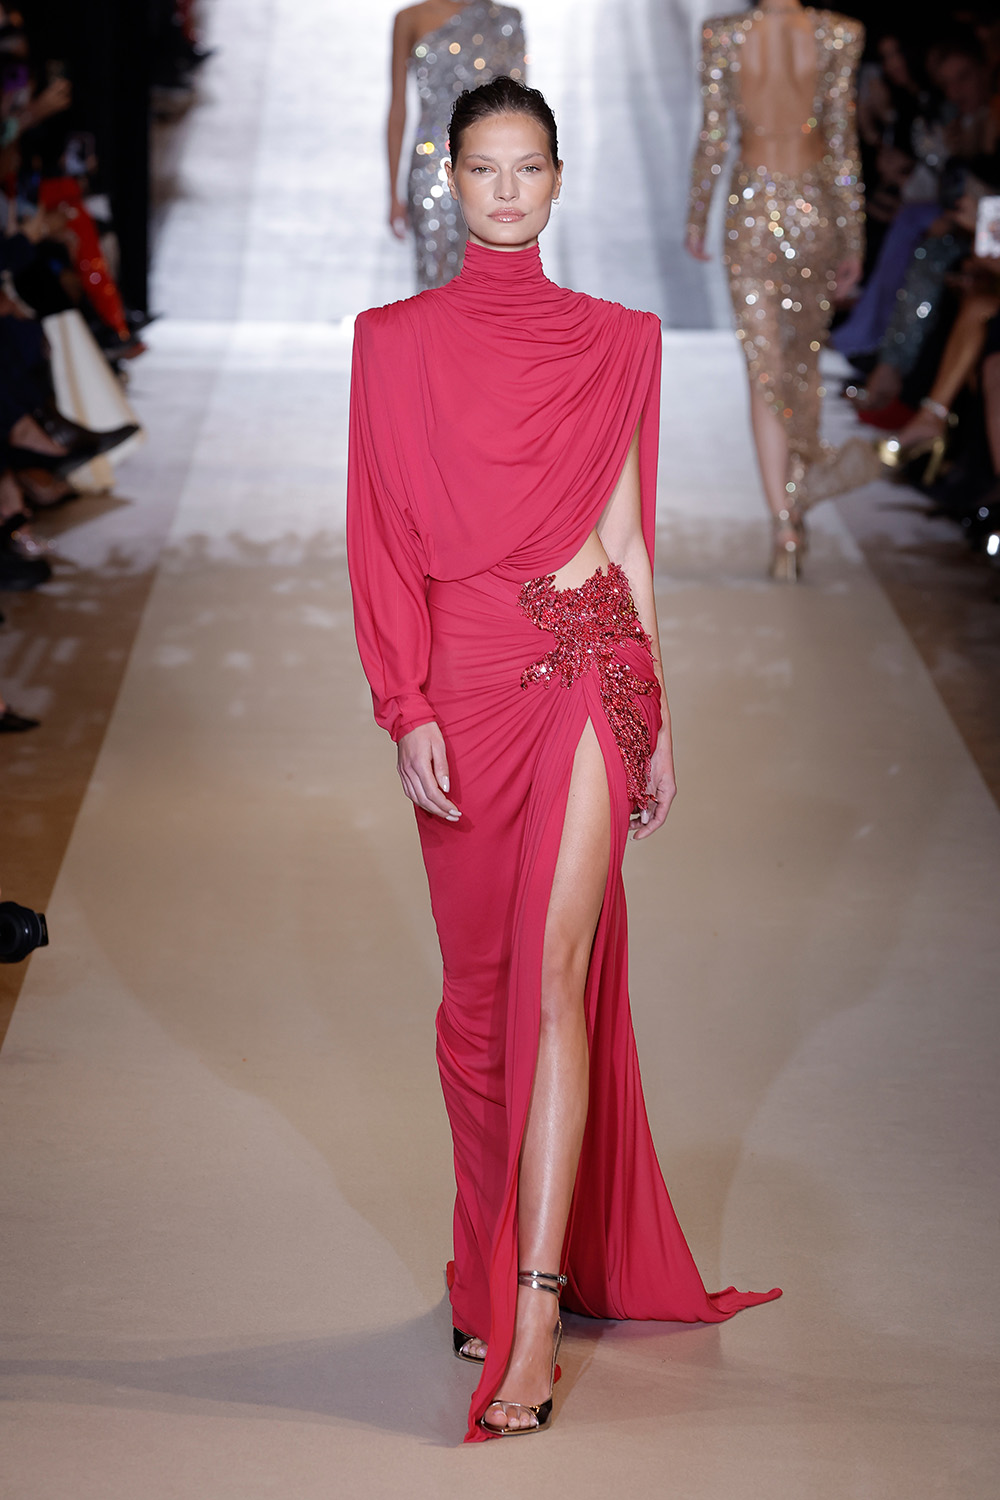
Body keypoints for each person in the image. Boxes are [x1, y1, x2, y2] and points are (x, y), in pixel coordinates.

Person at [349, 75, 780, 1444]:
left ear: (556, 177)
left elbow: (631, 541)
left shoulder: (618, 340)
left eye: (528, 165)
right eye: (483, 167)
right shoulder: (392, 344)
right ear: (450, 178)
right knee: (478, 1000)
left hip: (586, 670)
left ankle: (534, 1309)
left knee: (548, 979)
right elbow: (378, 535)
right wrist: (404, 703)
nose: (506, 189)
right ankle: (484, 1259)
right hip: (462, 689)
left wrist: (654, 713)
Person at [686, 1, 875, 580]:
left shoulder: (723, 35)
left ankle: (784, 524)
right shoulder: (839, 34)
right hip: (816, 209)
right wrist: (853, 234)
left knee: (763, 367)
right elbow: (841, 140)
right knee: (799, 362)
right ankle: (796, 496)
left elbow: (715, 134)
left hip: (751, 211)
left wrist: (697, 215)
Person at [387, 1, 526, 288]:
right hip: (430, 168)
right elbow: (398, 109)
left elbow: (520, 111)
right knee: (434, 279)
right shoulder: (410, 19)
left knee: (488, 281)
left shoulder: (505, 20)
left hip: (492, 169)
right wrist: (393, 193)